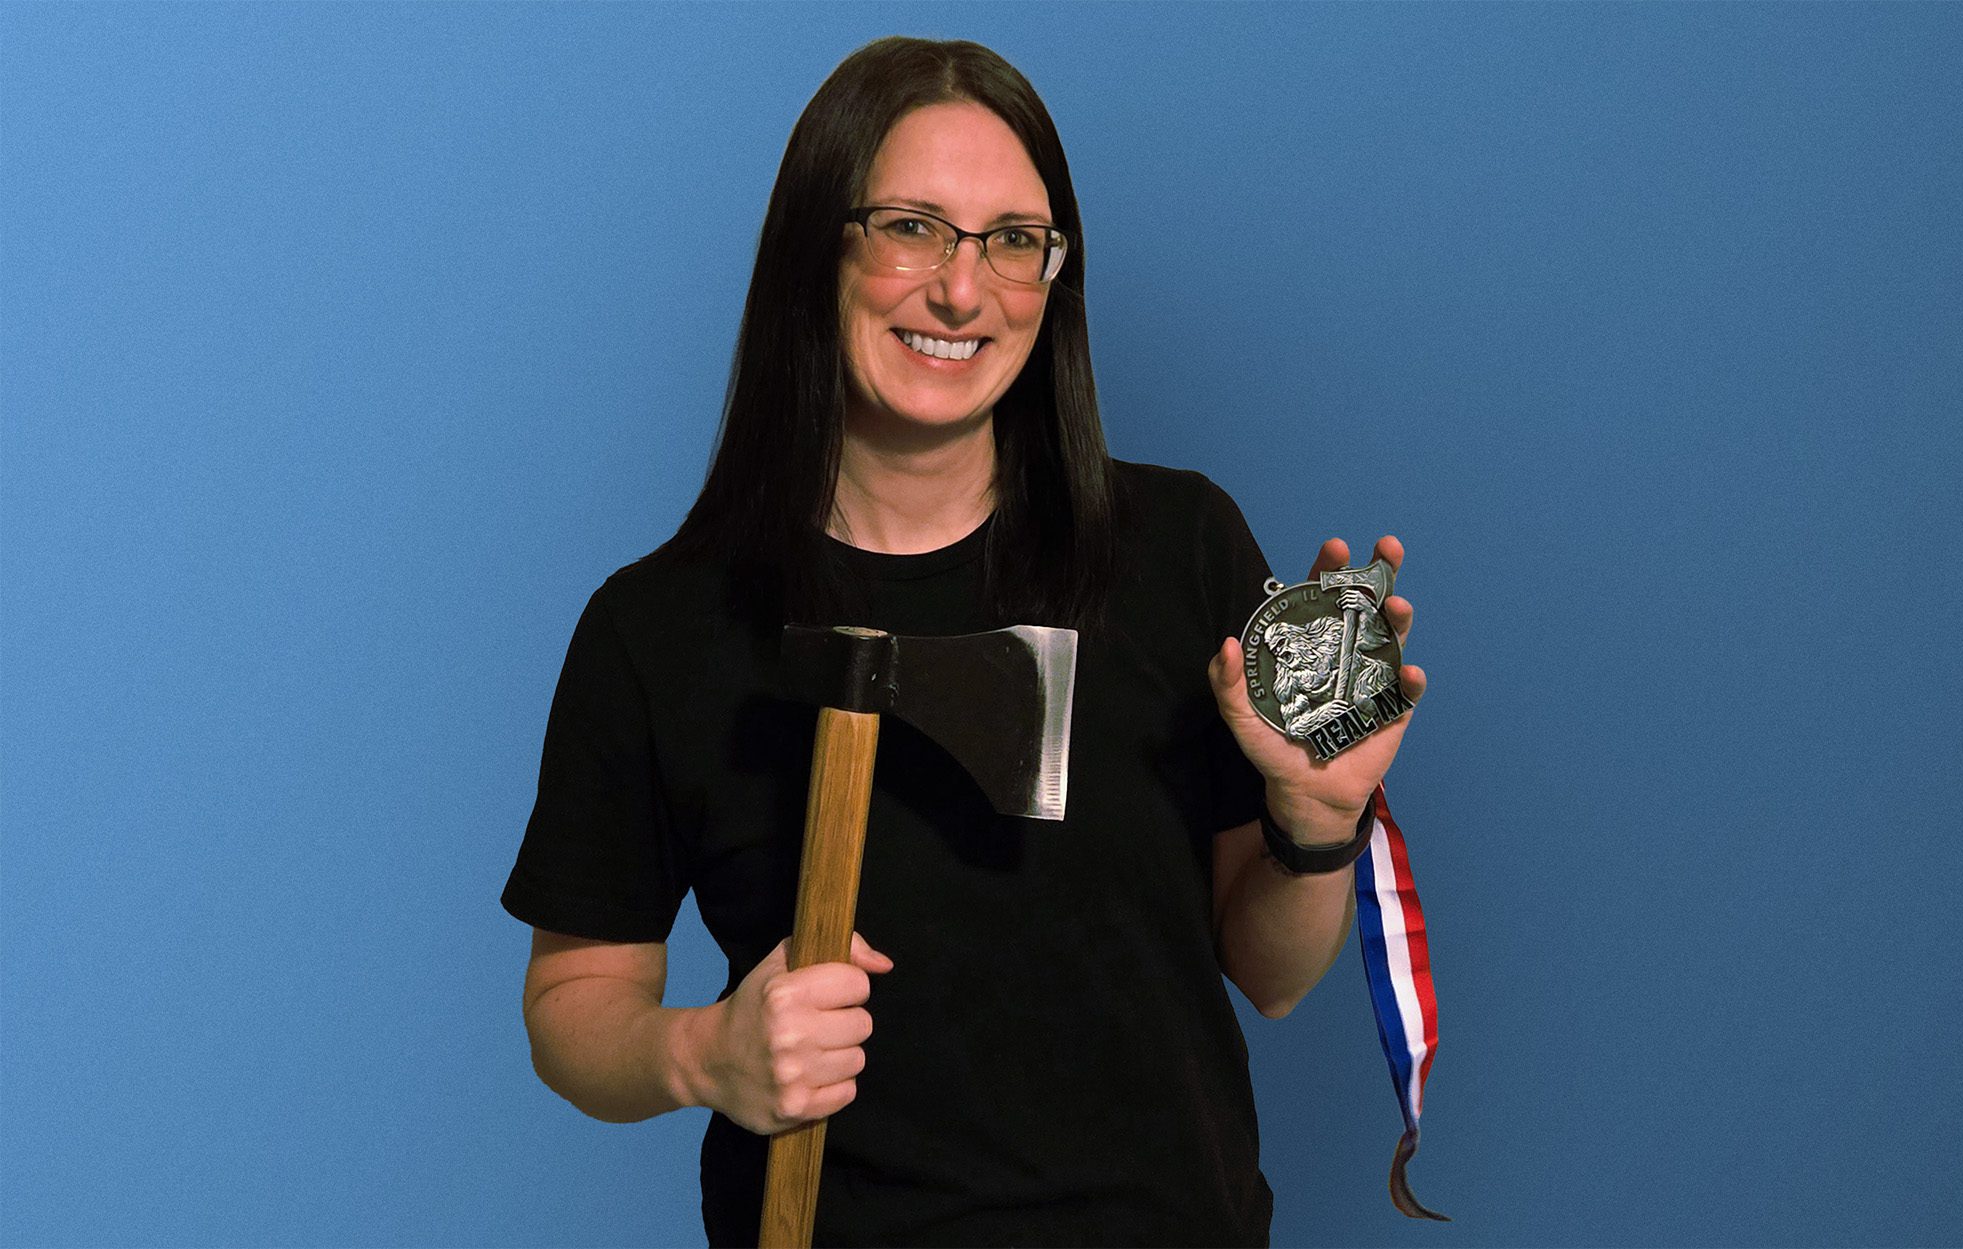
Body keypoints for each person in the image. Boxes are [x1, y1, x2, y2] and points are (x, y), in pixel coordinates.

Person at [500, 34, 1424, 1249]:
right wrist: (703, 1053)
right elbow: (573, 1004)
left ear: (1054, 275)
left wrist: (1313, 827)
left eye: (1012, 240)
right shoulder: (661, 627)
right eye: (911, 228)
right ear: (815, 249)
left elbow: (1272, 975)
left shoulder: (1178, 547)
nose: (960, 291)